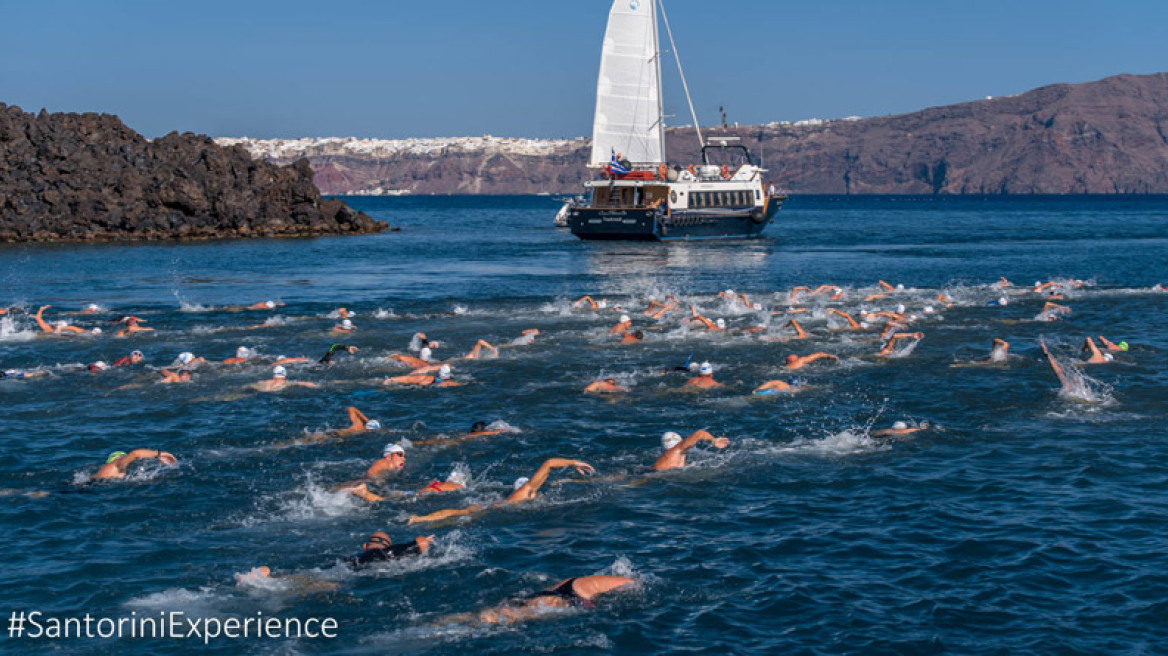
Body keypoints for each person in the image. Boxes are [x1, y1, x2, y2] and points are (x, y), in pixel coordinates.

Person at [407, 457, 594, 524]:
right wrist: (574, 462)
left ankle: (421, 518)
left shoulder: (521, 494)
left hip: (493, 505)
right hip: (494, 508)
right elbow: (549, 463)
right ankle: (420, 519)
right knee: (460, 513)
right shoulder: (527, 491)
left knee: (460, 513)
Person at [473, 575, 635, 624]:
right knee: (516, 615)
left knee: (475, 617)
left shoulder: (584, 581)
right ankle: (496, 618)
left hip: (548, 593)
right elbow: (634, 588)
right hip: (563, 597)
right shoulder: (628, 583)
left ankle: (451, 620)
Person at [345, 531, 434, 569]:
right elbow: (422, 543)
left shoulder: (354, 558)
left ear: (364, 546)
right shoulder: (389, 552)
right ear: (388, 546)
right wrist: (426, 540)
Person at [652, 430, 729, 471]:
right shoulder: (677, 450)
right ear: (680, 440)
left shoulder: (665, 457)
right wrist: (713, 441)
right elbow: (699, 434)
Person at [92, 449, 177, 480]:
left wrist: (153, 456)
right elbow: (135, 454)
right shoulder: (118, 462)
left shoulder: (104, 470)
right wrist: (159, 454)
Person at [383, 364, 461, 387]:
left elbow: (408, 379)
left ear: (438, 373)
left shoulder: (428, 378)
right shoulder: (453, 383)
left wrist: (391, 379)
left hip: (427, 386)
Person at [253, 365, 317, 392]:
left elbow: (249, 385)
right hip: (275, 391)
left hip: (263, 391)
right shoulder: (286, 383)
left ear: (274, 374)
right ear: (285, 374)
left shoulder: (262, 382)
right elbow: (304, 383)